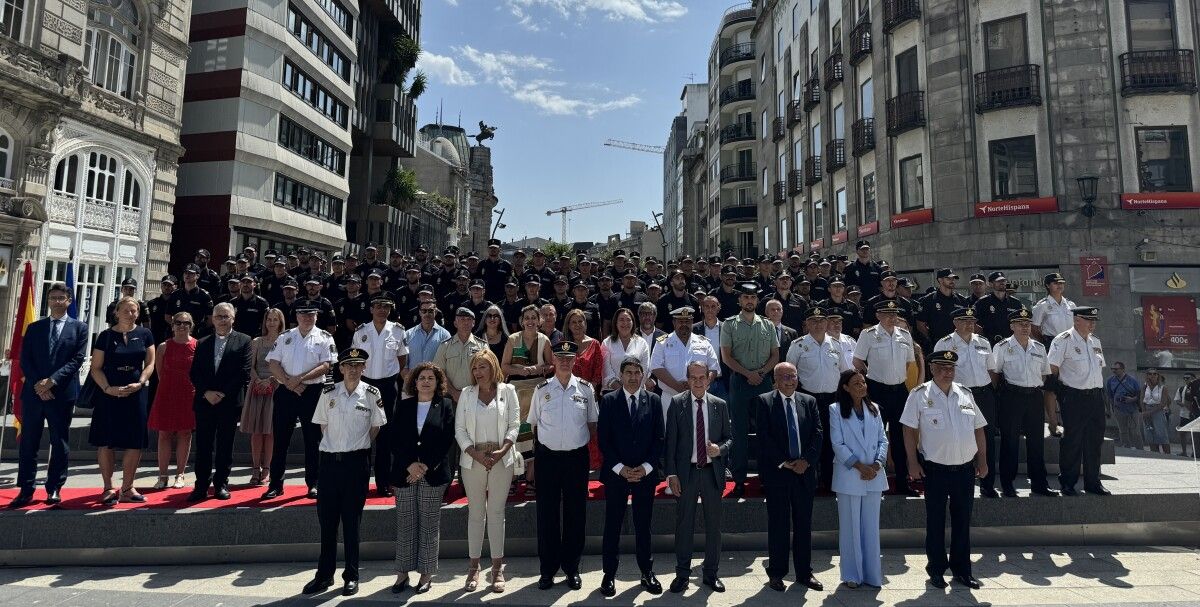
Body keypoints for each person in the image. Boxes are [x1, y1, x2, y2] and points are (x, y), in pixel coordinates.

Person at [302, 348, 386, 597]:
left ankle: (351, 576)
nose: (352, 369)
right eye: (348, 365)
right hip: (329, 463)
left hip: (355, 464)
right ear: (340, 368)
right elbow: (323, 426)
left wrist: (354, 449)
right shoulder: (328, 392)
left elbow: (375, 428)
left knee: (352, 523)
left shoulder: (372, 393)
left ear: (364, 368)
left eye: (358, 365)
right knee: (327, 523)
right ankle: (324, 576)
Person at [902, 350, 988, 589]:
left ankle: (962, 570)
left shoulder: (965, 394)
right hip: (935, 470)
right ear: (931, 369)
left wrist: (983, 460)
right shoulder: (919, 395)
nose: (946, 372)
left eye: (950, 368)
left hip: (964, 470)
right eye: (941, 368)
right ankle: (937, 569)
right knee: (936, 521)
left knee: (962, 521)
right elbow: (908, 430)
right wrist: (912, 462)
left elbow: (979, 428)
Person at [527, 341, 597, 591]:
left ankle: (572, 567)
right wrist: (535, 459)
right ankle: (547, 570)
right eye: (560, 357)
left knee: (575, 514)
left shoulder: (586, 389)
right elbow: (534, 425)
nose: (565, 362)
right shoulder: (542, 389)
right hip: (548, 458)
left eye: (570, 358)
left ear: (575, 360)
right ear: (553, 360)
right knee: (546, 515)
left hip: (576, 458)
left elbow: (592, 424)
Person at [11, 282, 88, 508]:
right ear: (48, 300)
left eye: (61, 298)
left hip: (61, 394)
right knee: (29, 443)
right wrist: (38, 385)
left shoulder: (79, 329)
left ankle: (54, 488)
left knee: (59, 442)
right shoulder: (35, 328)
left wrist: (52, 382)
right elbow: (26, 359)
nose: (56, 301)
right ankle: (25, 490)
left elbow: (77, 360)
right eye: (53, 297)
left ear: (69, 301)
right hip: (34, 394)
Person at [598, 356, 665, 597]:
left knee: (643, 524)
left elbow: (659, 440)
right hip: (617, 474)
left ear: (643, 375)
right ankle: (609, 574)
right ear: (620, 374)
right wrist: (621, 468)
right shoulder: (608, 401)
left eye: (638, 372)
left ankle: (647, 572)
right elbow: (603, 440)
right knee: (613, 524)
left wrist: (646, 467)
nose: (634, 377)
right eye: (629, 372)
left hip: (644, 474)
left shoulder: (654, 401)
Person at [455, 350, 521, 593]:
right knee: (475, 513)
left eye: (482, 367)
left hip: (501, 459)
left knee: (495, 513)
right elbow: (460, 429)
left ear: (493, 367)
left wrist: (503, 451)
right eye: (475, 368)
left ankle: (497, 568)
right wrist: (475, 454)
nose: (478, 372)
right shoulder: (466, 393)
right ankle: (473, 567)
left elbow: (515, 424)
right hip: (473, 460)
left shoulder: (508, 391)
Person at [664, 361, 732, 593]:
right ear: (687, 379)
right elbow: (670, 442)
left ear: (709, 379)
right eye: (693, 377)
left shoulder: (719, 405)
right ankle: (682, 574)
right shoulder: (677, 403)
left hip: (711, 473)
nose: (698, 381)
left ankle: (711, 574)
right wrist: (671, 474)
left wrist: (720, 450)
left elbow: (729, 439)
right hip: (687, 473)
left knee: (714, 526)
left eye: (702, 377)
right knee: (684, 525)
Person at [756, 362, 824, 592]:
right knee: (779, 524)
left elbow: (818, 434)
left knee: (804, 525)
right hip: (779, 473)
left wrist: (806, 461)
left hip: (804, 473)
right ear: (775, 380)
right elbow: (764, 437)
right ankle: (776, 573)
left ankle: (805, 573)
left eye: (793, 375)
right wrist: (786, 462)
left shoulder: (809, 401)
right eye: (784, 376)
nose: (789, 380)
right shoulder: (765, 401)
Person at [388, 362, 455, 595]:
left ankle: (426, 574)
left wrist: (424, 465)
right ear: (414, 383)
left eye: (431, 378)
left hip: (433, 472)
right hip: (405, 472)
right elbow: (393, 438)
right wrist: (410, 465)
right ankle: (402, 573)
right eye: (421, 378)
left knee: (428, 524)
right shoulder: (404, 405)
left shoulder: (445, 405)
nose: (426, 381)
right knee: (405, 522)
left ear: (438, 383)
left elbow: (447, 438)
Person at [88, 296, 157, 505]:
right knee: (106, 442)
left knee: (134, 442)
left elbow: (150, 364)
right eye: (126, 310)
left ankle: (128, 487)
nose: (131, 314)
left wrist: (141, 382)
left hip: (135, 394)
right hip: (109, 394)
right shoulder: (105, 336)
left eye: (134, 310)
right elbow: (96, 368)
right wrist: (108, 388)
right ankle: (108, 488)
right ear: (116, 312)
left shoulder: (145, 334)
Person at [264, 306, 337, 499]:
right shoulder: (285, 336)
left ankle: (314, 483)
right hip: (286, 391)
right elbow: (272, 363)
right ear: (297, 316)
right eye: (303, 314)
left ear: (316, 316)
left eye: (311, 314)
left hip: (312, 392)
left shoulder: (325, 337)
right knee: (280, 440)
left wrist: (300, 379)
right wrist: (291, 383)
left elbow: (326, 365)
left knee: (313, 440)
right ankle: (275, 485)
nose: (307, 318)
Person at [186, 302, 252, 501]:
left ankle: (221, 484)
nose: (222, 320)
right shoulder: (202, 342)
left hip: (228, 402)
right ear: (212, 319)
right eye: (218, 316)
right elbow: (194, 372)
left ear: (233, 318)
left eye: (226, 316)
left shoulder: (244, 340)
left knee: (225, 445)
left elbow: (244, 371)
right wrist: (206, 392)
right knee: (203, 445)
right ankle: (201, 486)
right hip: (205, 401)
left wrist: (221, 393)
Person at [829, 369, 888, 589]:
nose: (861, 386)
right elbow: (838, 444)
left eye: (863, 382)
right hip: (850, 475)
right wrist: (859, 466)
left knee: (871, 527)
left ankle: (873, 575)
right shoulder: (835, 410)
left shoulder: (874, 410)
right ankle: (852, 574)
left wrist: (876, 464)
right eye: (856, 383)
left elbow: (883, 439)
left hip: (874, 474)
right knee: (850, 526)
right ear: (845, 387)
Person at [853, 300, 918, 496]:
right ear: (878, 316)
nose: (892, 318)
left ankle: (902, 482)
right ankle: (874, 482)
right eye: (887, 314)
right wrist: (870, 375)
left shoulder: (904, 335)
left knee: (900, 438)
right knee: (874, 437)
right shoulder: (868, 334)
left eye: (895, 314)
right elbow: (857, 360)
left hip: (899, 391)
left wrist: (895, 377)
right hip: (877, 390)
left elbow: (909, 363)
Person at [989, 308, 1056, 497]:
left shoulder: (1039, 347)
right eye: (1020, 324)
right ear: (1012, 326)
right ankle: (1007, 485)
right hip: (1012, 396)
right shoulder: (1002, 346)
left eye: (1027, 324)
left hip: (1034, 397)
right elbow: (995, 373)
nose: (1025, 327)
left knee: (1036, 443)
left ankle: (1040, 484)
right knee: (1010, 442)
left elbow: (1044, 374)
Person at [721, 283, 780, 498]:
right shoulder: (729, 325)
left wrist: (761, 373)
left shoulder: (767, 325)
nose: (749, 301)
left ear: (757, 301)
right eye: (746, 297)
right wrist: (748, 374)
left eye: (753, 297)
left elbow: (775, 355)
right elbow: (726, 356)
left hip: (763, 381)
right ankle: (738, 479)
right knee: (739, 433)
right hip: (740, 381)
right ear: (740, 300)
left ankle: (766, 477)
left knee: (766, 432)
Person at [932, 307, 998, 497]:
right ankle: (965, 481)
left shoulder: (983, 342)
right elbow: (937, 371)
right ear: (955, 323)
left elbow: (991, 370)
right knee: (962, 437)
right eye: (964, 321)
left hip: (984, 394)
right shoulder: (944, 344)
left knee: (987, 438)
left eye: (972, 321)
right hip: (959, 395)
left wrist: (990, 391)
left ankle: (988, 483)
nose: (970, 324)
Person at [1048, 307, 1109, 496]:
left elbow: (1099, 370)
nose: (1092, 324)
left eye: (1094, 320)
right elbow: (1052, 370)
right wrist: (1063, 395)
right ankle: (1068, 481)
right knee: (1072, 441)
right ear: (1076, 320)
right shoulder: (1063, 340)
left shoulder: (1095, 341)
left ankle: (1093, 482)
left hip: (1095, 397)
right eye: (1087, 319)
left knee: (1094, 440)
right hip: (1074, 397)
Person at [786, 306, 845, 493]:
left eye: (821, 321)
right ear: (807, 324)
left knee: (829, 440)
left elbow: (844, 374)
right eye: (813, 321)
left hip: (832, 400)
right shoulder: (798, 345)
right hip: (807, 400)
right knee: (808, 439)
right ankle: (809, 480)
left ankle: (828, 481)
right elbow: (789, 373)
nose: (818, 324)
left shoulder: (836, 345)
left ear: (827, 323)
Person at [355, 297, 409, 497]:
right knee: (364, 434)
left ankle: (384, 483)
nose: (381, 310)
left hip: (388, 386)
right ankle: (360, 482)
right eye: (377, 306)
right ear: (371, 309)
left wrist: (392, 375)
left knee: (385, 437)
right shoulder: (361, 331)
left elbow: (402, 358)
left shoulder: (397, 330)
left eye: (386, 306)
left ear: (390, 309)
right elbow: (356, 359)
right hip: (366, 385)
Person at [148, 312, 198, 490]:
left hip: (188, 394)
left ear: (191, 325)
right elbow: (160, 372)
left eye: (186, 323)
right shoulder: (163, 347)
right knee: (164, 434)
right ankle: (162, 475)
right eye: (178, 323)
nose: (182, 326)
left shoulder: (197, 345)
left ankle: (180, 474)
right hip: (167, 392)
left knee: (185, 433)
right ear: (173, 325)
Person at [649, 306, 719, 426]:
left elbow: (714, 368)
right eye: (680, 321)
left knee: (698, 433)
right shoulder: (662, 342)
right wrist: (678, 387)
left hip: (699, 397)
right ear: (674, 323)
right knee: (671, 434)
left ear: (692, 322)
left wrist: (700, 385)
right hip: (671, 397)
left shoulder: (704, 342)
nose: (684, 324)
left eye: (687, 321)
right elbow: (655, 367)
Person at [241, 308, 283, 486]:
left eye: (275, 319)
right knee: (257, 431)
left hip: (277, 387)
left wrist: (272, 380)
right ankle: (255, 468)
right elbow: (249, 365)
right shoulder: (256, 341)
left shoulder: (285, 341)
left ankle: (267, 469)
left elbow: (287, 365)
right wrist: (258, 380)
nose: (272, 322)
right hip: (257, 388)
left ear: (280, 322)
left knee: (271, 431)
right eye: (269, 319)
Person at [1032, 272, 1073, 437]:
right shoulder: (1042, 305)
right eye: (1055, 283)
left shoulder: (1070, 304)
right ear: (1048, 285)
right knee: (1051, 386)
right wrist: (1047, 343)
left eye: (1061, 282)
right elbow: (1035, 328)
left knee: (1069, 384)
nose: (1059, 285)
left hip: (1070, 346)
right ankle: (1053, 423)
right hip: (1052, 344)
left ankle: (1068, 421)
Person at [563, 308, 604, 470]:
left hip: (588, 396)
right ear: (568, 325)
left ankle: (590, 467)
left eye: (580, 321)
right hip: (566, 395)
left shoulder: (594, 344)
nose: (577, 325)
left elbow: (598, 373)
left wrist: (588, 390)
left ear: (586, 324)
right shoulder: (563, 345)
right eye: (574, 322)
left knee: (590, 432)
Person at [600, 308, 651, 394]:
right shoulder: (607, 343)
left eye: (628, 320)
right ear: (616, 323)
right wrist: (621, 390)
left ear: (633, 322)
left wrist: (632, 390)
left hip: (636, 392)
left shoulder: (642, 343)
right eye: (621, 320)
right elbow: (606, 370)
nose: (625, 323)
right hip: (612, 393)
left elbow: (645, 369)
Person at [1107, 361, 1143, 450]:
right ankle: (1126, 448)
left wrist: (1132, 399)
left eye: (1116, 369)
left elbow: (1140, 394)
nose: (1114, 371)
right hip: (1118, 409)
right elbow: (1109, 396)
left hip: (1132, 409)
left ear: (1123, 369)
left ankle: (1140, 449)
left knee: (1135, 431)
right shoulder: (1110, 381)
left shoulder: (1132, 380)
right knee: (1122, 431)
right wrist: (1110, 409)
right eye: (1112, 369)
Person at [1141, 369, 1172, 454]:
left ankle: (1168, 456)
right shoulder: (1145, 386)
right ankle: (1155, 455)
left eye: (1155, 374)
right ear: (1147, 375)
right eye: (1150, 374)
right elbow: (1142, 399)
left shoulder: (1162, 387)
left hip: (1157, 410)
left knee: (1161, 434)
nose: (1152, 375)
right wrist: (1144, 412)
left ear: (1158, 375)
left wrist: (1149, 412)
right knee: (1150, 434)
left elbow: (1163, 403)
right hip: (1146, 409)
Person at [1172, 373, 1195, 457]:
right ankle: (1184, 452)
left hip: (1194, 415)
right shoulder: (1181, 389)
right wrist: (1181, 403)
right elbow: (1177, 399)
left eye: (1188, 378)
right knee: (1182, 433)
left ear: (1193, 378)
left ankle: (1194, 452)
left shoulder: (1197, 388)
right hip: (1184, 414)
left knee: (1195, 435)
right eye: (1184, 378)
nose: (1186, 380)